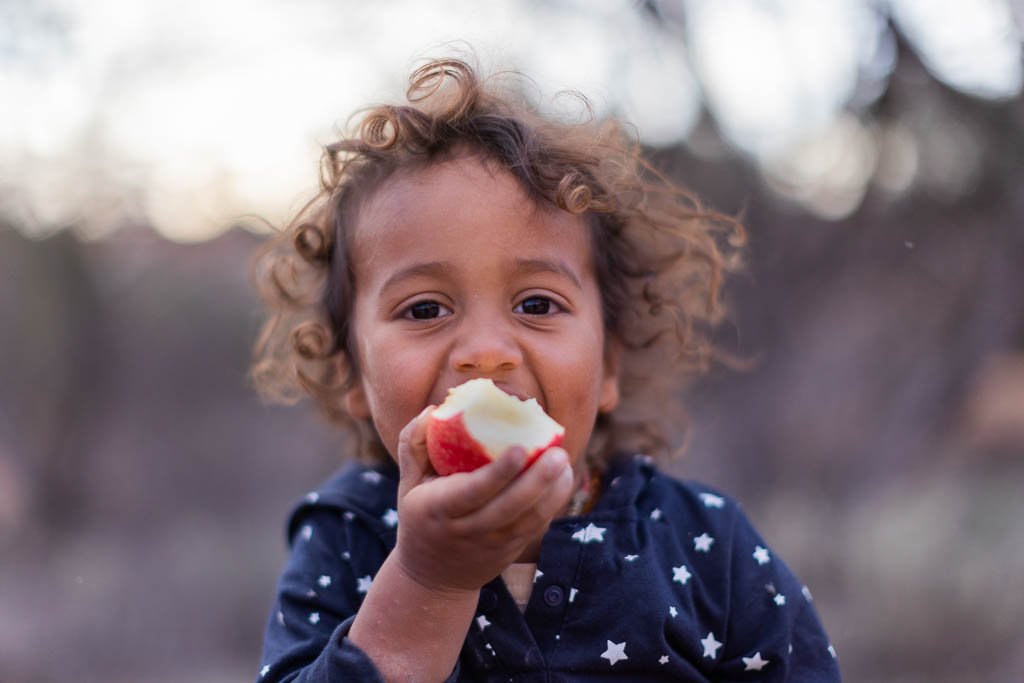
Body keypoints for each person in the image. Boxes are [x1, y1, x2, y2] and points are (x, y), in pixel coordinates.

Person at [250, 56, 841, 682]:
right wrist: (427, 581)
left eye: (537, 304)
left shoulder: (706, 547)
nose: (485, 350)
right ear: (351, 373)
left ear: (610, 362)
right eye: (424, 308)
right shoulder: (350, 538)